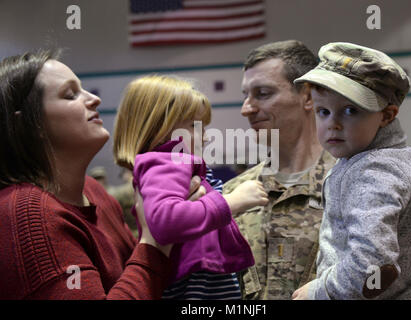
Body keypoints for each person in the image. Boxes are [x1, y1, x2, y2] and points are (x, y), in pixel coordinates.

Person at [0, 50, 204, 299]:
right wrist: (155, 240)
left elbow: (143, 276)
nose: (94, 99)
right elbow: (147, 261)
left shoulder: (93, 191)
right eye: (70, 95)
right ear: (31, 125)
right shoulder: (26, 214)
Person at [292, 42, 411, 299]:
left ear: (387, 116)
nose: (332, 124)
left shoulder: (374, 173)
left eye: (350, 110)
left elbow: (373, 268)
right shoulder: (393, 159)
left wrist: (322, 291)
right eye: (322, 111)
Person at [112, 75, 269, 299]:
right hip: (194, 289)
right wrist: (232, 202)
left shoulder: (175, 166)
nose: (205, 138)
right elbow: (166, 220)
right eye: (196, 126)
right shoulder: (166, 162)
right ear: (161, 127)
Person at [222, 40, 336, 299]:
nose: (246, 109)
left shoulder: (358, 186)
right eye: (246, 95)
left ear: (308, 96)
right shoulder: (233, 195)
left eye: (263, 94)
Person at [109, 168, 138, 237]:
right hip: (149, 234)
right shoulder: (145, 187)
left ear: (127, 173)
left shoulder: (118, 193)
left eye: (122, 175)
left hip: (131, 235)